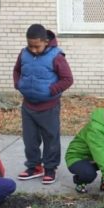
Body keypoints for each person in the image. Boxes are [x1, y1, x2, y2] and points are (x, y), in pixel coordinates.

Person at [13, 23, 73, 184]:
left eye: (37, 46)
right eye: (30, 46)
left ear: (46, 41)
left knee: (50, 138)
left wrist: (51, 91)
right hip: (28, 106)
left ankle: (50, 168)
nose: (33, 49)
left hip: (49, 107)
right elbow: (17, 70)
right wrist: (19, 84)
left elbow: (67, 79)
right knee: (30, 139)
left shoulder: (56, 57)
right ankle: (34, 167)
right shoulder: (24, 54)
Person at [65, 96, 104, 200]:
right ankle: (80, 182)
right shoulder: (96, 129)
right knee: (89, 174)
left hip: (94, 157)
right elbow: (103, 158)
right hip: (78, 158)